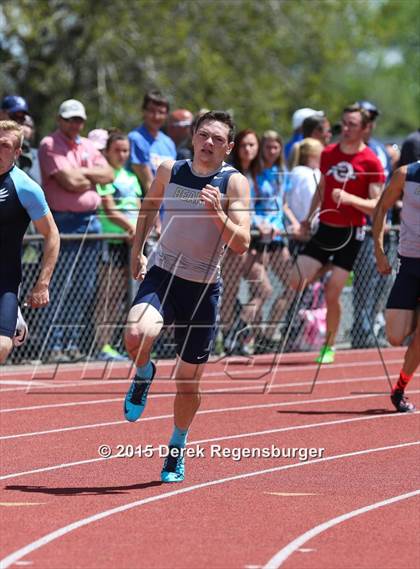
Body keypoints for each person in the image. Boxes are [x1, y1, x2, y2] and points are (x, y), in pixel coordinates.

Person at [123, 111, 250, 482]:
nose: (208, 143)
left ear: (228, 148)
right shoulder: (170, 169)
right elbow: (148, 207)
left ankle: (176, 447)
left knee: (187, 382)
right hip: (163, 273)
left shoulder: (233, 183)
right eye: (203, 135)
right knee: (135, 335)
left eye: (217, 139)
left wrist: (217, 212)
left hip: (202, 288)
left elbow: (242, 243)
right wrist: (138, 251)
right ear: (193, 137)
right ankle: (144, 372)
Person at [289, 103, 385, 364]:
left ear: (365, 128)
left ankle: (328, 347)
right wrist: (308, 218)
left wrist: (350, 198)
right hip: (326, 228)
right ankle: (325, 267)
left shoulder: (371, 160)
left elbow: (377, 204)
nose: (347, 128)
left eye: (353, 124)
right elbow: (322, 187)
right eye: (344, 123)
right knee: (295, 279)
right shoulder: (329, 153)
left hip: (352, 233)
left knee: (333, 293)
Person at [38, 99, 114, 362]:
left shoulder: (89, 145)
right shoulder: (49, 144)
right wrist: (89, 175)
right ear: (60, 120)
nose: (75, 125)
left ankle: (71, 343)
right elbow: (68, 182)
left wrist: (81, 172)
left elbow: (109, 174)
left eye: (79, 120)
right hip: (63, 222)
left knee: (85, 287)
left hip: (89, 222)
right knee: (60, 285)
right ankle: (53, 345)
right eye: (70, 119)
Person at [0, 120, 60, 364]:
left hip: (4, 279)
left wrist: (42, 284)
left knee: (2, 347)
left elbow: (52, 235)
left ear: (17, 152)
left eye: (4, 145)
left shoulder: (25, 187)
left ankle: (11, 317)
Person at [372, 161, 420, 412]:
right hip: (410, 263)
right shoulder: (406, 175)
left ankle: (399, 389)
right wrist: (379, 252)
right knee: (394, 336)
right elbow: (381, 208)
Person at [96, 131, 142, 361]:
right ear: (107, 151)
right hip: (112, 240)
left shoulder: (131, 177)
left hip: (131, 242)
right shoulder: (106, 175)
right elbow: (109, 210)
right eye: (117, 150)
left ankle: (120, 342)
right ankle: (102, 344)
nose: (122, 155)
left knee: (126, 295)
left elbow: (137, 206)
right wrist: (131, 228)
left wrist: (140, 230)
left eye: (125, 151)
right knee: (109, 294)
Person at [350, 101, 391, 349]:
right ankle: (361, 328)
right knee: (362, 281)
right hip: (359, 224)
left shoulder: (377, 149)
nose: (369, 125)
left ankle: (372, 324)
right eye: (365, 119)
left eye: (371, 120)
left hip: (381, 223)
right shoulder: (351, 151)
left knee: (381, 279)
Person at [128, 90, 176, 195]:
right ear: (143, 111)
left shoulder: (169, 143)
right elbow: (147, 182)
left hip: (166, 205)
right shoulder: (136, 138)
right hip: (146, 206)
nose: (156, 116)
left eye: (161, 112)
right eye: (151, 111)